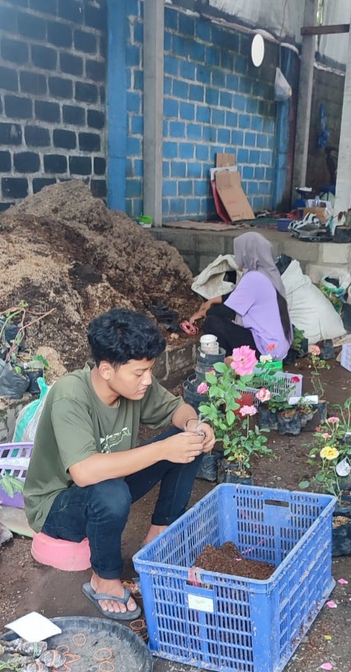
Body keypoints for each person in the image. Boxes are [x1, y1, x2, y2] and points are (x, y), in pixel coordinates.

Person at [23, 309, 216, 620]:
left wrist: (195, 425)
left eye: (150, 370)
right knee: (111, 492)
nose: (147, 380)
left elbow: (177, 410)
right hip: (57, 504)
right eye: (139, 373)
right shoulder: (70, 395)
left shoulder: (136, 386)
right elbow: (84, 473)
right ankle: (105, 577)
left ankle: (158, 536)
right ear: (106, 370)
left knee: (187, 442)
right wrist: (163, 449)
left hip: (109, 484)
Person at [187, 231, 293, 360]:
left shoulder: (253, 278)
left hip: (265, 350)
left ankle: (228, 363)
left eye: (238, 253)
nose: (237, 258)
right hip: (279, 347)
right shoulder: (268, 273)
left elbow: (225, 310)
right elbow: (236, 296)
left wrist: (203, 313)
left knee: (212, 322)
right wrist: (212, 301)